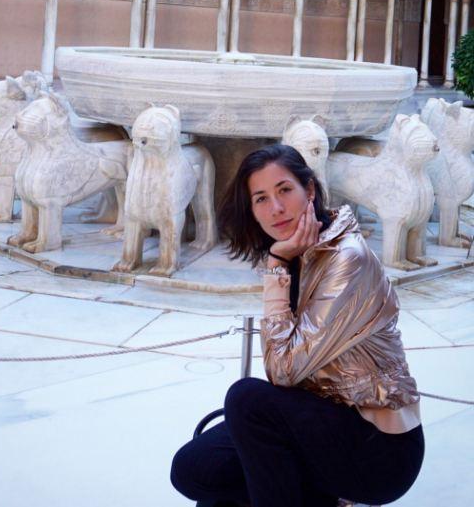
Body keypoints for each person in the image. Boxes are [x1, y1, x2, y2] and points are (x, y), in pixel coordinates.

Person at [170, 144, 424, 507]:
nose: (275, 208)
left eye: (285, 190)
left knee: (246, 399)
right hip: (318, 417)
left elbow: (283, 370)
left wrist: (275, 265)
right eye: (261, 198)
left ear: (311, 190)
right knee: (194, 469)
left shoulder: (346, 260)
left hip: (378, 447)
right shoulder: (299, 253)